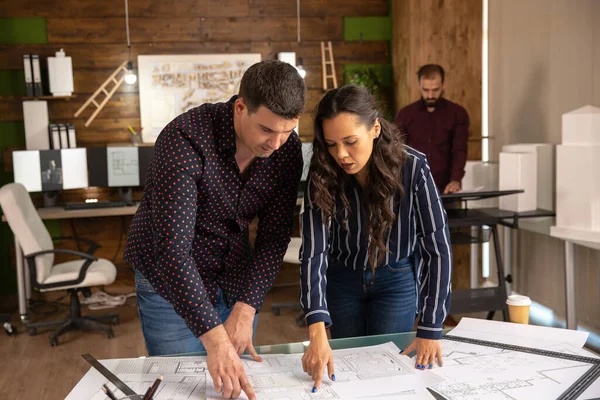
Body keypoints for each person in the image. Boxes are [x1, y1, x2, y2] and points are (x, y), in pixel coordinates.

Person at [123, 60, 306, 400]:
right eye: (267, 130)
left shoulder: (286, 150)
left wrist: (247, 306)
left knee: (229, 386)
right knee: (181, 388)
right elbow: (172, 251)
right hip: (169, 281)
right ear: (240, 107)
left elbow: (274, 235)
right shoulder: (185, 139)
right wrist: (215, 338)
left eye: (287, 131)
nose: (277, 143)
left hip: (232, 278)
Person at [300, 85, 452, 392]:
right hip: (342, 280)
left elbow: (437, 247)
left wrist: (431, 326)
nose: (341, 155)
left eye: (350, 141)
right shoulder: (322, 170)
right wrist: (316, 329)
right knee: (348, 374)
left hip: (396, 281)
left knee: (388, 377)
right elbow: (314, 251)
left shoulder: (413, 167)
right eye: (331, 144)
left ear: (376, 128)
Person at [394, 64, 469, 194]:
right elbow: (398, 150)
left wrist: (455, 180)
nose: (430, 95)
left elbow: (459, 150)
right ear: (419, 86)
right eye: (425, 90)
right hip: (413, 184)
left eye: (435, 90)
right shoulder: (405, 115)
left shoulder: (457, 114)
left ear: (443, 85)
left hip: (446, 188)